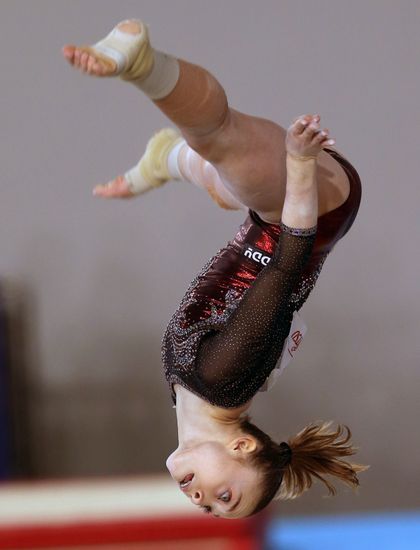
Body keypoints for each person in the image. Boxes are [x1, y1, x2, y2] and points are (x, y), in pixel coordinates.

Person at [62, 19, 367, 519]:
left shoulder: (197, 397)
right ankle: (142, 63)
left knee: (229, 180)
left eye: (211, 510)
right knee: (220, 138)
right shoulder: (222, 381)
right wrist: (299, 166)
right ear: (243, 449)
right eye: (226, 496)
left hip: (271, 221)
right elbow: (286, 267)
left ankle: (170, 159)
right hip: (307, 213)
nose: (201, 500)